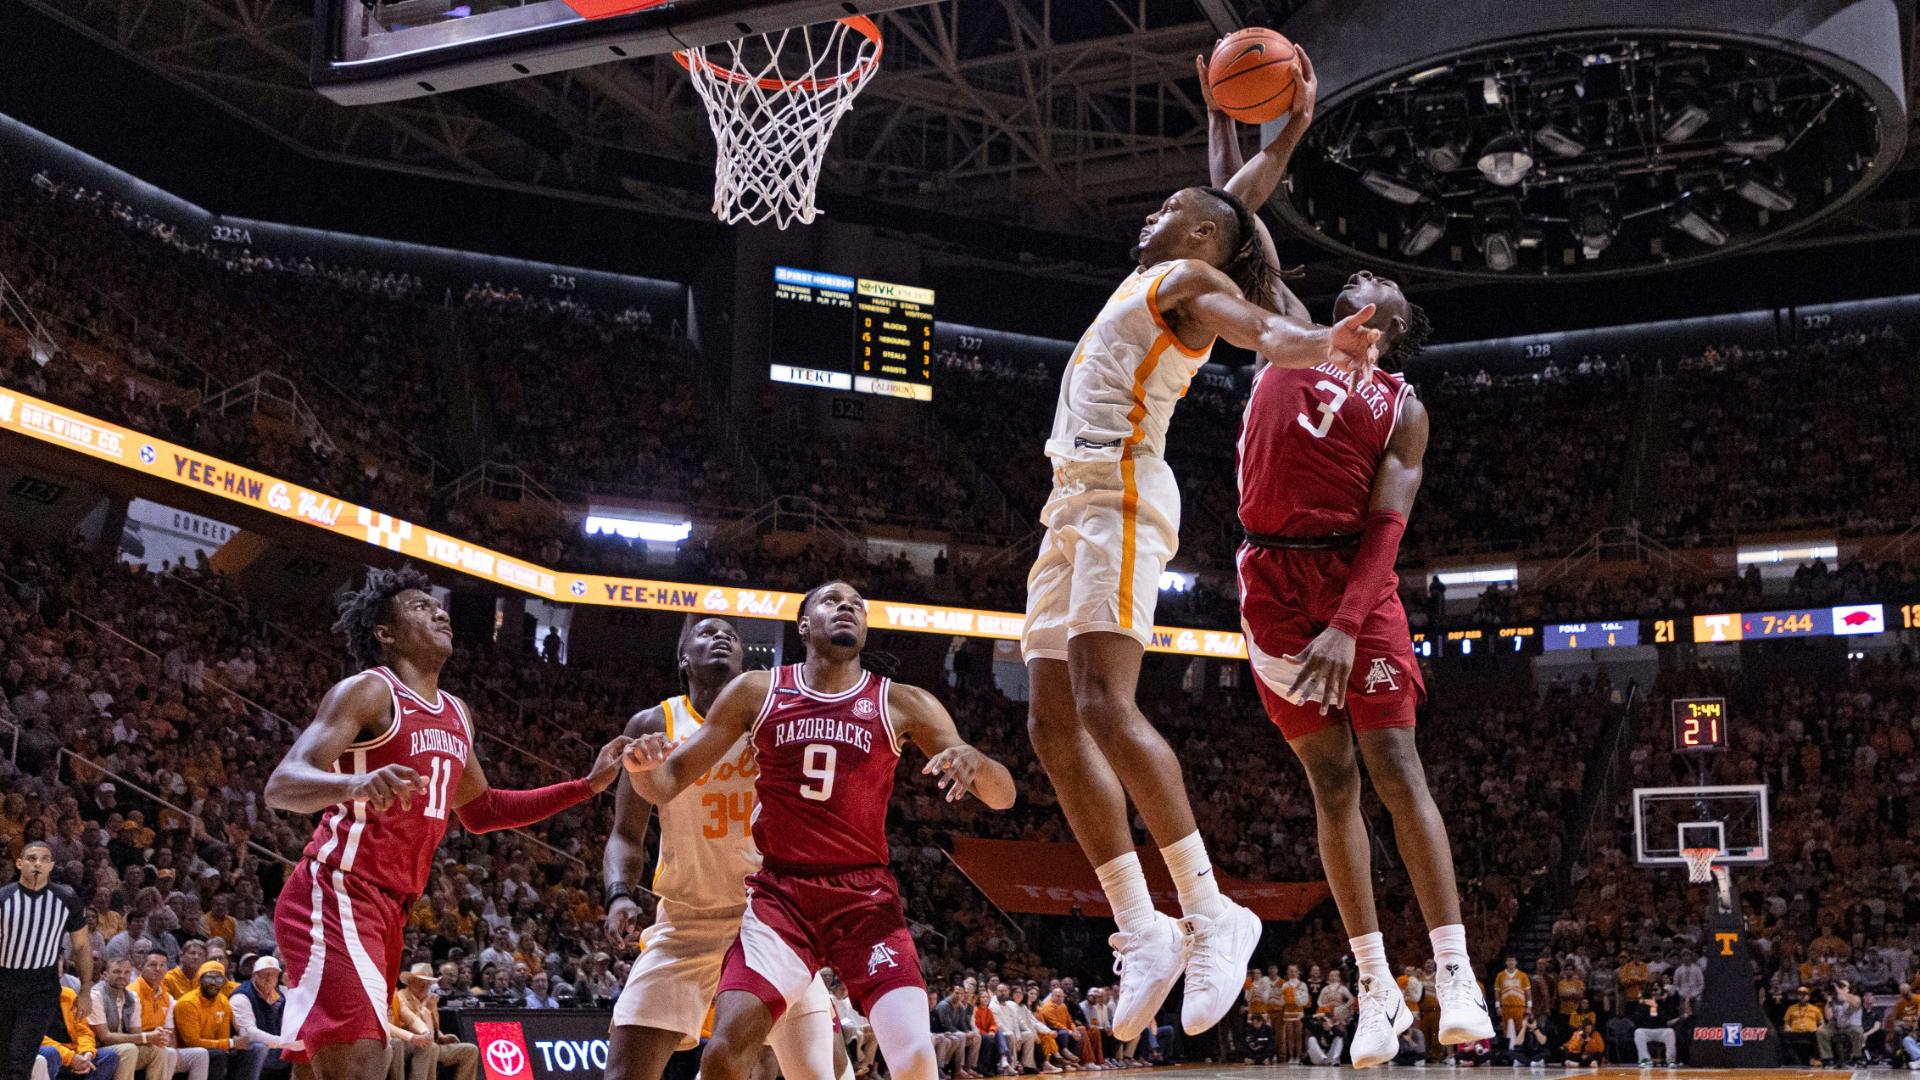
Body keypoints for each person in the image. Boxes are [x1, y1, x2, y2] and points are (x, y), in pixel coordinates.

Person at [1022, 35, 1381, 1044]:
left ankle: (1208, 904)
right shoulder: (1174, 262)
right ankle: (1142, 928)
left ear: (1202, 242)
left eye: (1176, 207)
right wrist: (1279, 125)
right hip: (1069, 505)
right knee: (1053, 722)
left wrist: (1318, 342)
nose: (1157, 207)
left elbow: (1255, 320)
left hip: (1120, 498)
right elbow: (1238, 203)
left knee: (1103, 700)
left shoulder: (1189, 284)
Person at [1207, 39, 1487, 1063]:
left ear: (1392, 327)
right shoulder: (1284, 323)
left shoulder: (1403, 405)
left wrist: (1341, 622)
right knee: (1330, 787)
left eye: (1383, 291)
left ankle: (1454, 973)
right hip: (1265, 576)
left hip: (1351, 585)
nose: (1364, 283)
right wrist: (1281, 127)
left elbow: (1387, 532)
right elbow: (1231, 221)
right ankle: (1376, 987)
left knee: (1396, 761)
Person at [623, 582, 1016, 1080]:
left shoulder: (903, 702)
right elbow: (670, 781)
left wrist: (977, 761)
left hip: (864, 897)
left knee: (915, 1057)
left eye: (856, 604)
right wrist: (642, 768)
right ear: (804, 626)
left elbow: (1003, 796)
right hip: (782, 897)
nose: (846, 606)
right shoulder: (757, 690)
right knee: (724, 1052)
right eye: (831, 601)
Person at [264, 567, 631, 1080]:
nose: (440, 611)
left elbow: (484, 812)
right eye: (419, 606)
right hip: (337, 893)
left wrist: (586, 786)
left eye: (438, 605)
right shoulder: (369, 691)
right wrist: (353, 785)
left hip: (392, 908)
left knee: (326, 1068)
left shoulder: (457, 712)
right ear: (385, 634)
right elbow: (281, 785)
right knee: (367, 1061)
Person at [604, 617, 835, 1080]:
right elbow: (626, 834)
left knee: (814, 1069)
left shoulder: (773, 719)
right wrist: (619, 894)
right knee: (625, 1068)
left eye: (730, 634)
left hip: (767, 917)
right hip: (685, 920)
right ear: (684, 658)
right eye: (707, 633)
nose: (722, 637)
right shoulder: (654, 725)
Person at [3, 841, 91, 1080]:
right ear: (19, 863)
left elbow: (82, 946)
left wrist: (85, 991)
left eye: (44, 859)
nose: (37, 863)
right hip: (4, 981)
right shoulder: (3, 898)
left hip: (41, 987)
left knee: (20, 1059)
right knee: (4, 1058)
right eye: (31, 858)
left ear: (51, 865)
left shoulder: (67, 898)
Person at [387, 965, 476, 1080]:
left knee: (470, 1050)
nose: (426, 985)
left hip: (433, 1042)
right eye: (421, 981)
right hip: (412, 1044)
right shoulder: (401, 997)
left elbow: (434, 1027)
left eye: (429, 982)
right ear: (410, 981)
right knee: (430, 1046)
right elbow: (410, 1025)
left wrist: (442, 1036)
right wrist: (427, 1010)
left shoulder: (431, 998)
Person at [89, 956, 168, 1080]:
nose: (122, 976)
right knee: (129, 1049)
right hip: (97, 1051)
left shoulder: (132, 997)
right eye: (117, 971)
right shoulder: (95, 995)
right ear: (105, 975)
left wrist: (157, 1036)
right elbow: (104, 1037)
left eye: (127, 972)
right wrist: (147, 1036)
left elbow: (136, 1034)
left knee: (160, 1050)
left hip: (124, 1049)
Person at [36, 979, 125, 1080]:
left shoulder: (68, 994)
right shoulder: (28, 998)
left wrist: (86, 1052)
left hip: (75, 1053)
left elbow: (83, 1031)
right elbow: (34, 1037)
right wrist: (70, 1058)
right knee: (51, 1053)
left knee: (109, 1056)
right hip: (51, 1053)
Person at [173, 963, 245, 1080]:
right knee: (218, 1055)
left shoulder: (223, 1001)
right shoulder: (187, 1003)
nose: (213, 982)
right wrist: (230, 1043)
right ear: (200, 979)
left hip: (213, 1050)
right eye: (209, 978)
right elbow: (193, 1043)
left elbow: (223, 1037)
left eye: (218, 979)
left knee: (244, 1053)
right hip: (188, 1051)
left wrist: (228, 1045)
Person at [229, 956, 296, 1080]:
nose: (269, 978)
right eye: (264, 974)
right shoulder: (241, 997)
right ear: (254, 976)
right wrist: (284, 1043)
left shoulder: (281, 995)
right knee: (259, 1047)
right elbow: (249, 1033)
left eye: (273, 974)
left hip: (276, 1049)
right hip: (244, 1053)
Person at [1631, 980, 1679, 1067]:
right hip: (1647, 1030)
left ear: (1661, 991)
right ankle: (1645, 1059)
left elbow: (1667, 1019)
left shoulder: (1665, 1003)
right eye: (1653, 990)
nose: (1654, 992)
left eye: (1657, 990)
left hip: (1661, 1030)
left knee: (1670, 1032)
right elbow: (1637, 1019)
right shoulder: (1643, 1002)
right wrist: (1646, 1003)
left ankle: (1670, 1060)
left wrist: (1660, 1003)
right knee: (1638, 1032)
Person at [1820, 980, 1865, 1066]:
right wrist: (1828, 1001)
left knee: (1858, 1031)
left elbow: (1856, 1003)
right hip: (1837, 1026)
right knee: (1821, 1032)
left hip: (1851, 1026)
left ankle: (1856, 1057)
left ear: (1848, 989)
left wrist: (1840, 991)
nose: (1839, 988)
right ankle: (1828, 1058)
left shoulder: (1855, 998)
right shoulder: (1833, 1000)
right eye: (1838, 986)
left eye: (1842, 986)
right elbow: (1828, 1017)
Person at [1784, 986, 1824, 1065]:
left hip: (1810, 1033)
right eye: (1800, 994)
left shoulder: (1815, 1009)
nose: (1802, 996)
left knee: (1819, 1034)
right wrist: (1787, 1028)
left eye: (1804, 994)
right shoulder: (1791, 1008)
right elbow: (1786, 1022)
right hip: (1795, 1032)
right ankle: (1795, 1060)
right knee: (1784, 1035)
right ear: (1797, 996)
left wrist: (1819, 1029)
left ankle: (1813, 1059)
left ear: (1808, 996)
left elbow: (1822, 1023)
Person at [1495, 958, 1531, 1041]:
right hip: (1506, 1007)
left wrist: (1529, 1006)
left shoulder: (1523, 975)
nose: (1511, 962)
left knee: (1520, 1029)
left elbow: (1528, 992)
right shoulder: (1500, 975)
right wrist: (1497, 1006)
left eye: (1513, 960)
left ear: (1516, 962)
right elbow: (1497, 992)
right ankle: (1509, 1051)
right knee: (1507, 1031)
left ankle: (1520, 1049)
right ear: (1506, 962)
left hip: (1519, 1006)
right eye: (1509, 960)